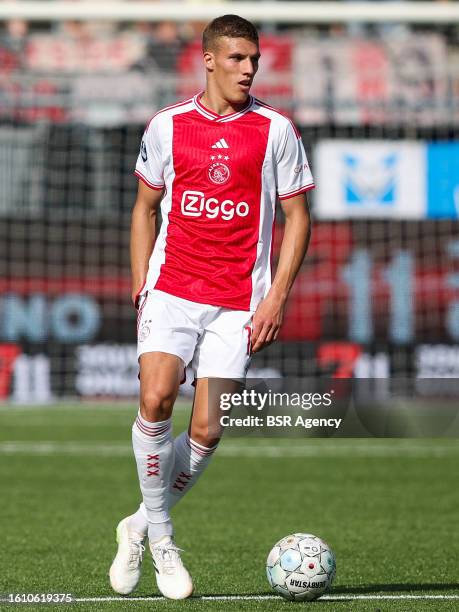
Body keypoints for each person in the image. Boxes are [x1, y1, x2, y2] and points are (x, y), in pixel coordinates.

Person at [109, 14, 313, 600]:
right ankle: (165, 541)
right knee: (154, 399)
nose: (249, 68)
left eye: (254, 60)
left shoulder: (276, 130)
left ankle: (138, 524)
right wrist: (141, 286)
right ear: (209, 60)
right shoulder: (168, 126)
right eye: (237, 59)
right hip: (171, 289)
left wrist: (276, 296)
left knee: (208, 427)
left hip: (238, 301)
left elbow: (298, 217)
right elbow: (145, 209)